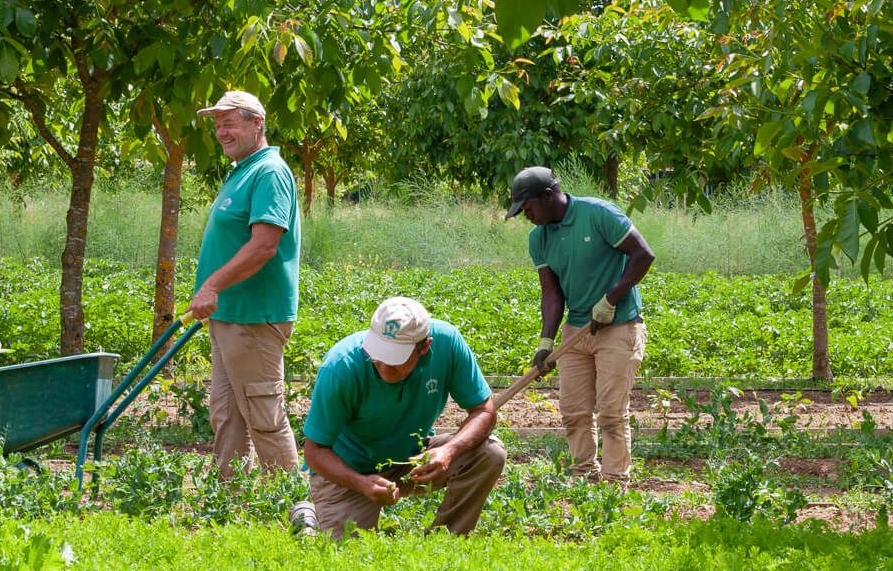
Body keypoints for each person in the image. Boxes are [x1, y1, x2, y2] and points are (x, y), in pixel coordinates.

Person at [301, 297, 505, 540]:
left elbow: (484, 410)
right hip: (348, 471)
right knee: (352, 559)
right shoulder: (341, 367)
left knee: (490, 454)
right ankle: (306, 519)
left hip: (411, 460)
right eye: (378, 356)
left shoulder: (447, 343)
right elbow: (314, 451)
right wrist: (362, 483)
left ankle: (445, 544)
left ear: (425, 347)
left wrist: (449, 451)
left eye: (396, 360)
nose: (385, 367)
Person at [506, 167, 656, 483]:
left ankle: (615, 483)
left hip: (618, 326)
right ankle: (585, 477)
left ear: (547, 196)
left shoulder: (599, 214)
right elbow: (552, 294)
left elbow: (643, 254)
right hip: (577, 331)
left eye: (528, 208)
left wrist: (611, 299)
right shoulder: (539, 238)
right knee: (574, 412)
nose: (526, 216)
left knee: (612, 413)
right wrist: (546, 342)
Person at [185, 90, 301, 476]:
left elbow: (264, 245)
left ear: (257, 123)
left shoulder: (269, 171)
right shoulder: (244, 170)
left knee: (264, 415)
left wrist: (212, 285)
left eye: (229, 122)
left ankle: (290, 504)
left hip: (253, 318)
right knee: (228, 416)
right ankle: (231, 501)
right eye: (217, 124)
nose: (221, 132)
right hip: (229, 317)